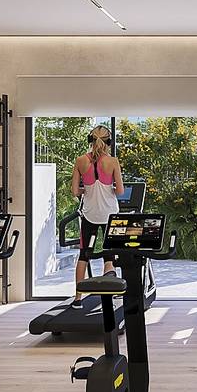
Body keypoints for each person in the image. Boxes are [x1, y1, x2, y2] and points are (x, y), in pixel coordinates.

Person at [70, 125, 125, 300]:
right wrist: (109, 188)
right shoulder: (113, 161)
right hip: (110, 214)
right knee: (109, 254)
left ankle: (78, 298)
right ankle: (111, 291)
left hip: (89, 214)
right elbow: (120, 191)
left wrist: (87, 190)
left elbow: (75, 191)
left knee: (84, 255)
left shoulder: (80, 160)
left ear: (90, 140)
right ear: (109, 142)